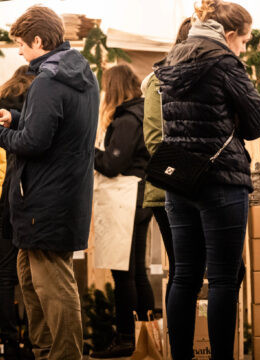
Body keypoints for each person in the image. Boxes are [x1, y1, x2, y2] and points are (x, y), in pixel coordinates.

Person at [0, 5, 100, 360]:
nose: (19, 51)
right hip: (61, 195)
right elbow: (54, 128)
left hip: (45, 199)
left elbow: (34, 143)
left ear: (38, 39)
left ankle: (62, 356)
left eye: (21, 44)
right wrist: (15, 117)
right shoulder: (78, 74)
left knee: (52, 286)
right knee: (31, 280)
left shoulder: (48, 80)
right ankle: (46, 352)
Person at [155, 0, 260, 360]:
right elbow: (257, 121)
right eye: (246, 40)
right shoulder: (224, 63)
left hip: (180, 180)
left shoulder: (173, 59)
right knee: (222, 279)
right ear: (230, 33)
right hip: (221, 180)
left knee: (184, 276)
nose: (245, 48)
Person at [91, 64, 155, 359]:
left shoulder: (128, 120)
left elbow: (112, 165)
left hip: (126, 199)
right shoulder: (141, 114)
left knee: (124, 274)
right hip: (139, 197)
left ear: (113, 88)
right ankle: (148, 338)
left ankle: (127, 339)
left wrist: (87, 151)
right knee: (137, 272)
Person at [140, 17, 192, 309]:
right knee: (183, 271)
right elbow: (154, 140)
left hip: (191, 191)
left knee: (195, 271)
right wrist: (194, 174)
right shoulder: (158, 82)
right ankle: (180, 346)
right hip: (169, 191)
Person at [0, 65, 35, 360]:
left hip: (3, 191)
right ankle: (34, 341)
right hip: (29, 190)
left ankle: (8, 342)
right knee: (34, 272)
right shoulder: (36, 102)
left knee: (5, 272)